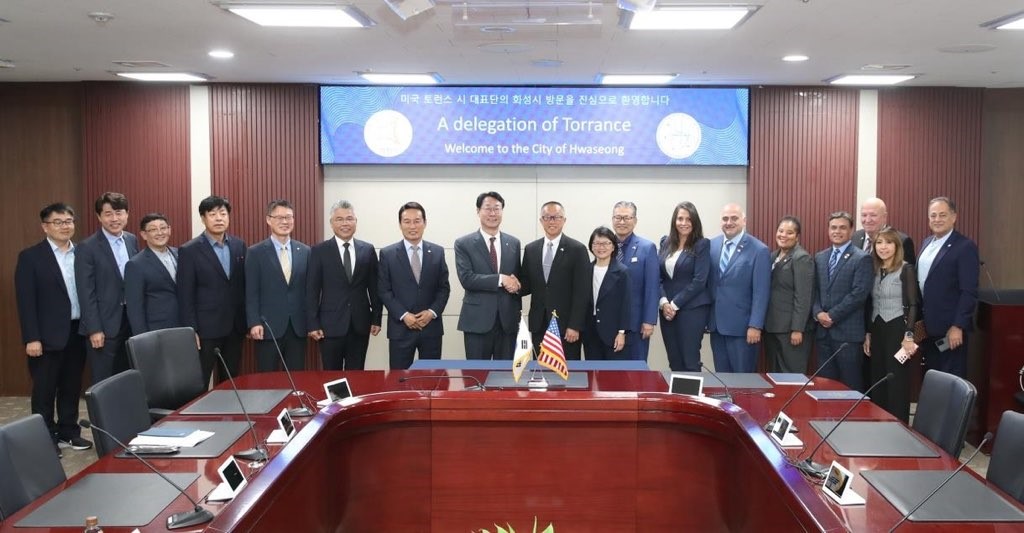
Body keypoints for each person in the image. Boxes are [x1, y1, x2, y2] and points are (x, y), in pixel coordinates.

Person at [15, 203, 93, 453]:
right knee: (45, 390)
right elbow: (25, 301)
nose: (65, 226)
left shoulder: (82, 253)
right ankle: (44, 438)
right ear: (45, 227)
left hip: (77, 331)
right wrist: (32, 337)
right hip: (45, 336)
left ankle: (69, 431)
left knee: (71, 386)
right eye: (58, 222)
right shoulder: (31, 257)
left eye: (69, 221)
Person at [177, 195, 247, 384]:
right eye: (212, 214)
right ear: (203, 218)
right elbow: (185, 295)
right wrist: (192, 330)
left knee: (231, 382)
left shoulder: (239, 245)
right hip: (205, 330)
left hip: (234, 327)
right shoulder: (189, 250)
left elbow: (242, 286)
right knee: (199, 383)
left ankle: (229, 415)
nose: (219, 218)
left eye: (223, 214)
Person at [306, 201, 382, 370]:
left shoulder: (367, 250)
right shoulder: (319, 251)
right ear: (331, 223)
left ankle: (354, 398)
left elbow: (375, 287)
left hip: (360, 324)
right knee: (331, 374)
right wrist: (312, 323)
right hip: (329, 325)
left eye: (349, 218)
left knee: (357, 373)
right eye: (339, 219)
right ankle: (336, 399)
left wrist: (377, 318)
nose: (345, 223)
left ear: (356, 221)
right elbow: (312, 289)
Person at [75, 191, 139, 384]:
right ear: (99, 217)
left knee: (127, 378)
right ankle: (100, 416)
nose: (114, 218)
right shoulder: (87, 247)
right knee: (103, 382)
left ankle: (124, 415)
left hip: (129, 322)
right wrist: (94, 329)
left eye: (119, 213)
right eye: (108, 214)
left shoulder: (131, 240)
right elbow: (85, 292)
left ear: (127, 214)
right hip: (104, 326)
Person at [378, 202, 451, 370]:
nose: (412, 226)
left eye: (417, 221)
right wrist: (404, 315)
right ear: (400, 224)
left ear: (425, 223)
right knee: (399, 380)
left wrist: (431, 312)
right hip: (400, 328)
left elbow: (443, 288)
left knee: (432, 379)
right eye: (407, 221)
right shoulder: (387, 254)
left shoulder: (438, 252)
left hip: (431, 328)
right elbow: (384, 290)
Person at [454, 192, 522, 360]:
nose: (493, 213)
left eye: (497, 209)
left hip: (507, 322)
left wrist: (517, 285)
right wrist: (501, 279)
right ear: (478, 211)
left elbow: (516, 277)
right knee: (477, 377)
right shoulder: (463, 243)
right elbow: (467, 279)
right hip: (477, 322)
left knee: (506, 378)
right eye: (488, 209)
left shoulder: (513, 243)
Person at [917, 197, 979, 379]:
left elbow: (969, 291)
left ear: (954, 217)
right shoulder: (927, 242)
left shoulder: (964, 246)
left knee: (950, 379)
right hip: (928, 328)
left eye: (942, 215)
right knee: (932, 376)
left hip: (950, 330)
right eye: (933, 215)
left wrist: (958, 325)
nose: (937, 219)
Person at [520, 201, 590, 359]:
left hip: (566, 327)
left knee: (567, 373)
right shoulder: (531, 249)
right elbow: (526, 284)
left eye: (557, 217)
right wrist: (512, 283)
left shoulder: (577, 249)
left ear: (564, 220)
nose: (552, 221)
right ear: (541, 221)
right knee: (540, 371)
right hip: (539, 323)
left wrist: (575, 325)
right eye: (547, 217)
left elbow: (582, 291)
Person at [813, 211, 873, 391]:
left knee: (850, 386)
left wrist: (832, 315)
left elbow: (859, 294)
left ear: (851, 230)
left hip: (847, 334)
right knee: (824, 386)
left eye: (842, 228)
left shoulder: (862, 258)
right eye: (833, 227)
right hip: (823, 334)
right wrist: (817, 313)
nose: (837, 231)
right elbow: (813, 291)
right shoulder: (820, 257)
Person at [864, 228, 919, 423]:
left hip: (898, 330)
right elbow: (871, 303)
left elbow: (913, 304)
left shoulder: (906, 269)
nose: (883, 247)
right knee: (878, 378)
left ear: (897, 246)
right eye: (879, 243)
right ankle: (880, 422)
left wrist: (909, 335)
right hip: (878, 328)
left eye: (888, 243)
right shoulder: (875, 270)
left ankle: (898, 426)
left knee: (896, 380)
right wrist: (868, 333)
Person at [246, 200, 309, 372]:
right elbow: (251, 292)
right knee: (268, 380)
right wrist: (254, 322)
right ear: (268, 219)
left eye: (289, 217)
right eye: (279, 217)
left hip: (297, 327)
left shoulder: (305, 251)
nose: (285, 222)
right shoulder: (255, 252)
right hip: (267, 328)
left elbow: (309, 291)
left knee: (297, 379)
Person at [707, 203, 771, 372]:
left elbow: (761, 292)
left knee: (743, 382)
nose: (729, 222)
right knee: (723, 380)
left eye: (734, 218)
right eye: (725, 218)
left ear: (744, 221)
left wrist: (755, 326)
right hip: (716, 327)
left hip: (743, 330)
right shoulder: (711, 246)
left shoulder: (759, 250)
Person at [658, 202, 711, 372]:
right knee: (674, 360)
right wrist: (664, 303)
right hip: (666, 311)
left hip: (692, 310)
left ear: (695, 221)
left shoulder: (702, 244)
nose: (684, 223)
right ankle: (678, 398)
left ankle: (691, 398)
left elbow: (699, 281)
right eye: (680, 218)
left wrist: (674, 305)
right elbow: (657, 278)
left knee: (690, 360)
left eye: (689, 219)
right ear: (674, 221)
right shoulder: (665, 242)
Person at [764, 216, 815, 374]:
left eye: (790, 232)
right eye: (780, 231)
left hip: (791, 330)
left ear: (797, 237)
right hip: (772, 327)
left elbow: (804, 296)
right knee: (774, 375)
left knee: (791, 376)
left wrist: (797, 329)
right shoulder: (773, 256)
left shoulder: (801, 258)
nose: (783, 235)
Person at [611, 201, 660, 361]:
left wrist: (649, 320)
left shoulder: (647, 247)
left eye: (626, 218)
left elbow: (652, 287)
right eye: (618, 217)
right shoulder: (605, 246)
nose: (622, 222)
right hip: (610, 322)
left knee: (635, 371)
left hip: (636, 323)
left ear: (635, 221)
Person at [124, 213, 180, 334]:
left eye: (163, 228)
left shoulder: (180, 254)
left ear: (169, 230)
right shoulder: (135, 264)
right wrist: (143, 338)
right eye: (153, 229)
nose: (160, 233)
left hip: (184, 326)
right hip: (156, 330)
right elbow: (135, 308)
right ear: (144, 234)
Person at [582, 227, 631, 360]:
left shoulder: (622, 272)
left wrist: (622, 333)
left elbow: (626, 305)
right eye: (597, 243)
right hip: (590, 330)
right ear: (591, 247)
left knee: (613, 377)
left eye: (605, 243)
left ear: (613, 247)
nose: (601, 247)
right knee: (592, 374)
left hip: (613, 332)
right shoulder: (586, 270)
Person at [851, 197, 916, 263]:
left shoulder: (901, 241)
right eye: (864, 215)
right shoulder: (855, 237)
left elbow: (907, 271)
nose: (867, 220)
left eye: (873, 215)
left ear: (884, 217)